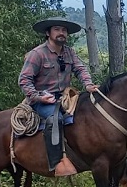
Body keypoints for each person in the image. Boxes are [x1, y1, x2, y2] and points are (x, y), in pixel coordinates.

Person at [19, 17, 99, 174]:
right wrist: (38, 97)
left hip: (65, 97)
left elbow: (80, 69)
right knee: (56, 118)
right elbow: (24, 80)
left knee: (88, 113)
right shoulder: (37, 54)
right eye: (57, 29)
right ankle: (57, 161)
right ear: (48, 33)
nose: (61, 33)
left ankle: (85, 155)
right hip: (42, 99)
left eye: (64, 30)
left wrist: (88, 84)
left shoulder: (69, 52)